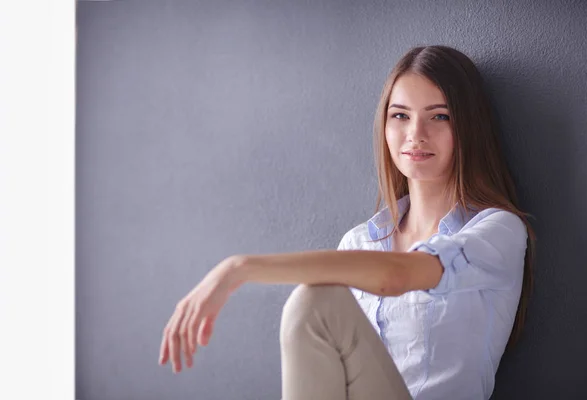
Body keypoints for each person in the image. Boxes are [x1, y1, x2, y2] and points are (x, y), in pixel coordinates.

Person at [157, 45, 536, 400]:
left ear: (468, 127)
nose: (415, 135)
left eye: (439, 116)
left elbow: (396, 276)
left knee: (314, 301)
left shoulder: (497, 233)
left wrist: (239, 268)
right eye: (400, 116)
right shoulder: (359, 243)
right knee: (315, 300)